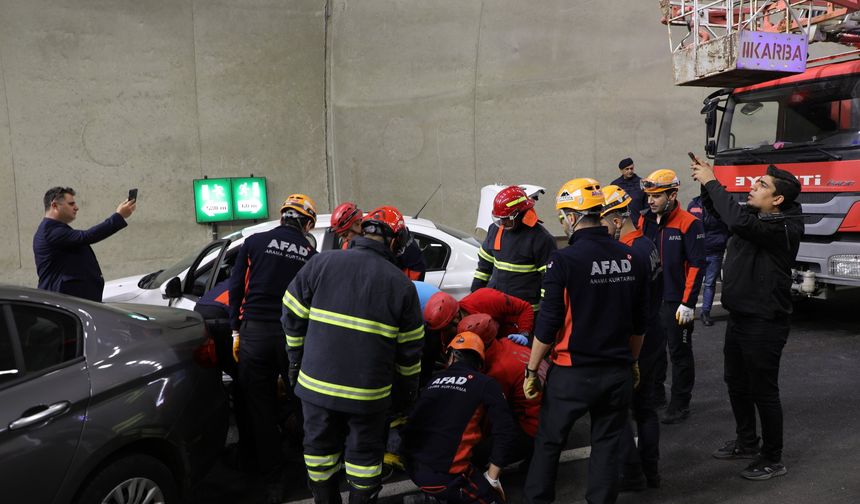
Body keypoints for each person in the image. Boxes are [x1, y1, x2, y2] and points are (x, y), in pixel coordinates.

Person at [282, 205, 425, 504]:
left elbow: (291, 311)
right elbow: (410, 353)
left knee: (320, 456)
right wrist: (405, 395)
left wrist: (295, 360)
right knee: (364, 461)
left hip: (316, 388)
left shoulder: (322, 263)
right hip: (369, 396)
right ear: (394, 241)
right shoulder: (402, 285)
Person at [523, 178, 648, 504]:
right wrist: (633, 362)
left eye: (563, 215)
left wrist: (532, 370)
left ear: (572, 217)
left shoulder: (563, 261)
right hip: (617, 372)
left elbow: (547, 325)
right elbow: (640, 322)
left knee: (549, 442)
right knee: (606, 445)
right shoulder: (632, 258)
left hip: (572, 373)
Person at [691, 159, 803, 481]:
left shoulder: (783, 226)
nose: (753, 187)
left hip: (765, 322)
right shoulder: (754, 216)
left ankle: (772, 457)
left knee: (763, 390)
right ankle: (747, 442)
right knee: (737, 383)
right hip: (740, 318)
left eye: (762, 185)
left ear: (778, 199)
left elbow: (739, 222)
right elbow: (722, 211)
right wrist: (704, 181)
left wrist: (713, 181)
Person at [229, 193, 318, 503]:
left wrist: (235, 330)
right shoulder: (310, 251)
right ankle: (315, 475)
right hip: (293, 337)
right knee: (304, 403)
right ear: (306, 223)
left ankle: (273, 483)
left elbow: (237, 288)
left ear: (282, 216)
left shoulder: (253, 242)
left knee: (261, 411)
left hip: (254, 334)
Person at [402, 332, 516, 504]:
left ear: (452, 357)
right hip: (445, 478)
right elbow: (506, 431)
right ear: (479, 362)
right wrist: (493, 478)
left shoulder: (434, 380)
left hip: (411, 467)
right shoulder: (485, 383)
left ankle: (435, 496)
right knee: (495, 500)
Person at [600, 185, 664, 490]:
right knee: (646, 408)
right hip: (653, 332)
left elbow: (625, 308)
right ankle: (651, 472)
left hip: (636, 340)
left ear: (615, 220)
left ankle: (633, 474)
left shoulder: (627, 254)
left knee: (620, 409)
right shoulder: (646, 244)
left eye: (601, 220)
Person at [638, 169, 705, 424]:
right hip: (652, 300)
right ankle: (655, 397)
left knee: (679, 353)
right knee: (652, 352)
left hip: (677, 302)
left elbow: (698, 265)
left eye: (656, 196)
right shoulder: (645, 221)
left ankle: (680, 404)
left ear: (672, 194)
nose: (650, 201)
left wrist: (688, 303)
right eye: (648, 196)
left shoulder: (689, 223)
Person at [457, 313, 544, 461]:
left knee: (475, 455)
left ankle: (534, 452)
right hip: (548, 411)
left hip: (534, 428)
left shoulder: (498, 371)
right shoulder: (505, 342)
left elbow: (492, 415)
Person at [33, 186, 136, 302]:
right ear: (54, 205)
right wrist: (119, 216)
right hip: (63, 303)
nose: (76, 208)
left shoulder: (56, 229)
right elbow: (87, 236)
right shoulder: (50, 231)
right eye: (71, 204)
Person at [471, 185, 556, 312]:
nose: (502, 224)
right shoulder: (495, 230)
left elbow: (549, 281)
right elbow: (484, 267)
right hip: (497, 307)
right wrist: (475, 297)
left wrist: (543, 315)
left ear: (520, 213)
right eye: (500, 219)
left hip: (526, 311)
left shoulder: (541, 238)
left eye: (507, 219)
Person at [423, 289, 535, 349]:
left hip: (514, 339)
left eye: (446, 329)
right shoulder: (446, 330)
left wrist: (524, 333)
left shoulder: (486, 299)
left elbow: (525, 308)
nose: (445, 333)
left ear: (456, 318)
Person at [687, 195, 730, 326]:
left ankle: (706, 312)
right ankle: (690, 309)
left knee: (710, 283)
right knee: (694, 282)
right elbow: (688, 226)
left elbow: (729, 225)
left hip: (715, 250)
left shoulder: (721, 204)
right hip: (697, 251)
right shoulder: (694, 204)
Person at [611, 158, 647, 222]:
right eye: (627, 169)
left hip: (639, 221)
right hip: (622, 223)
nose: (630, 171)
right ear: (621, 170)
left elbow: (647, 205)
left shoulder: (641, 183)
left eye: (631, 168)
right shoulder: (615, 185)